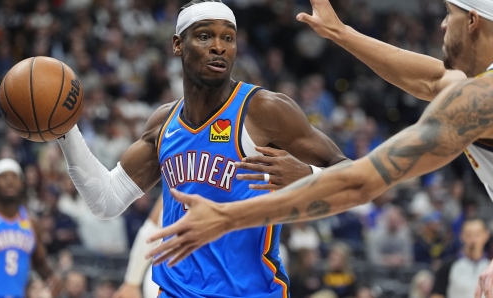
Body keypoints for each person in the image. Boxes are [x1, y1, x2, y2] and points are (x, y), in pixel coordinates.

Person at [145, 1, 493, 297]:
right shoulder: (472, 87)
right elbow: (430, 79)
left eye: (450, 13)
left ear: (474, 21)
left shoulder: (480, 99)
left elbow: (360, 182)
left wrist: (227, 218)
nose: (444, 23)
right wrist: (338, 31)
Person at [56, 0, 348, 297]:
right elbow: (107, 200)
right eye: (205, 36)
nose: (219, 47)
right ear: (177, 44)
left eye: (228, 38)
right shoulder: (163, 123)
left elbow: (351, 174)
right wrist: (64, 128)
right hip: (176, 291)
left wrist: (308, 175)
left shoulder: (264, 110)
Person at [0, 158, 61, 298]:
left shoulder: (32, 222)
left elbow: (40, 263)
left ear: (22, 183)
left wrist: (54, 279)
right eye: (3, 177)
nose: (10, 181)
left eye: (14, 177)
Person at [431, 218, 490, 298]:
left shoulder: (490, 265)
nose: (473, 239)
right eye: (469, 235)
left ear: (486, 235)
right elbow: (437, 295)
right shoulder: (448, 266)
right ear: (461, 236)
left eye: (477, 234)